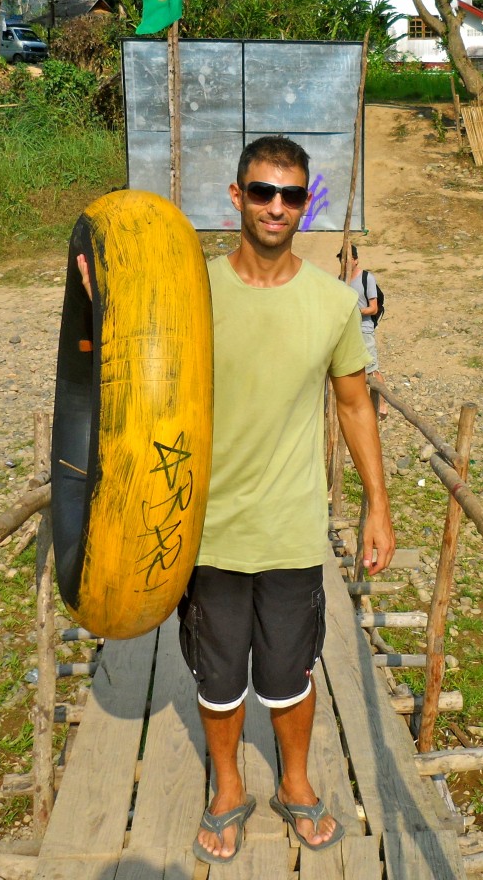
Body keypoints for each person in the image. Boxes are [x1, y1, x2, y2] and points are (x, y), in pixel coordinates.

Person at [78, 135, 395, 865]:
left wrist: (377, 504)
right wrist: (105, 307)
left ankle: (294, 781)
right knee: (218, 680)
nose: (275, 207)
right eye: (261, 191)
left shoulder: (331, 303)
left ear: (305, 202)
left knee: (289, 674)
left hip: (288, 529)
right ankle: (225, 787)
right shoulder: (191, 291)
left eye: (290, 195)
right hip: (206, 529)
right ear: (236, 198)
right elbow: (130, 364)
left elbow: (352, 405)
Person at [337, 244, 389, 419]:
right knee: (352, 369)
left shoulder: (367, 278)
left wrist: (354, 312)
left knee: (371, 368)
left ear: (356, 260)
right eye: (341, 258)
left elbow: (373, 308)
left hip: (364, 329)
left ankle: (381, 404)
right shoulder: (340, 280)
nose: (344, 261)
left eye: (347, 258)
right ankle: (360, 404)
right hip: (347, 331)